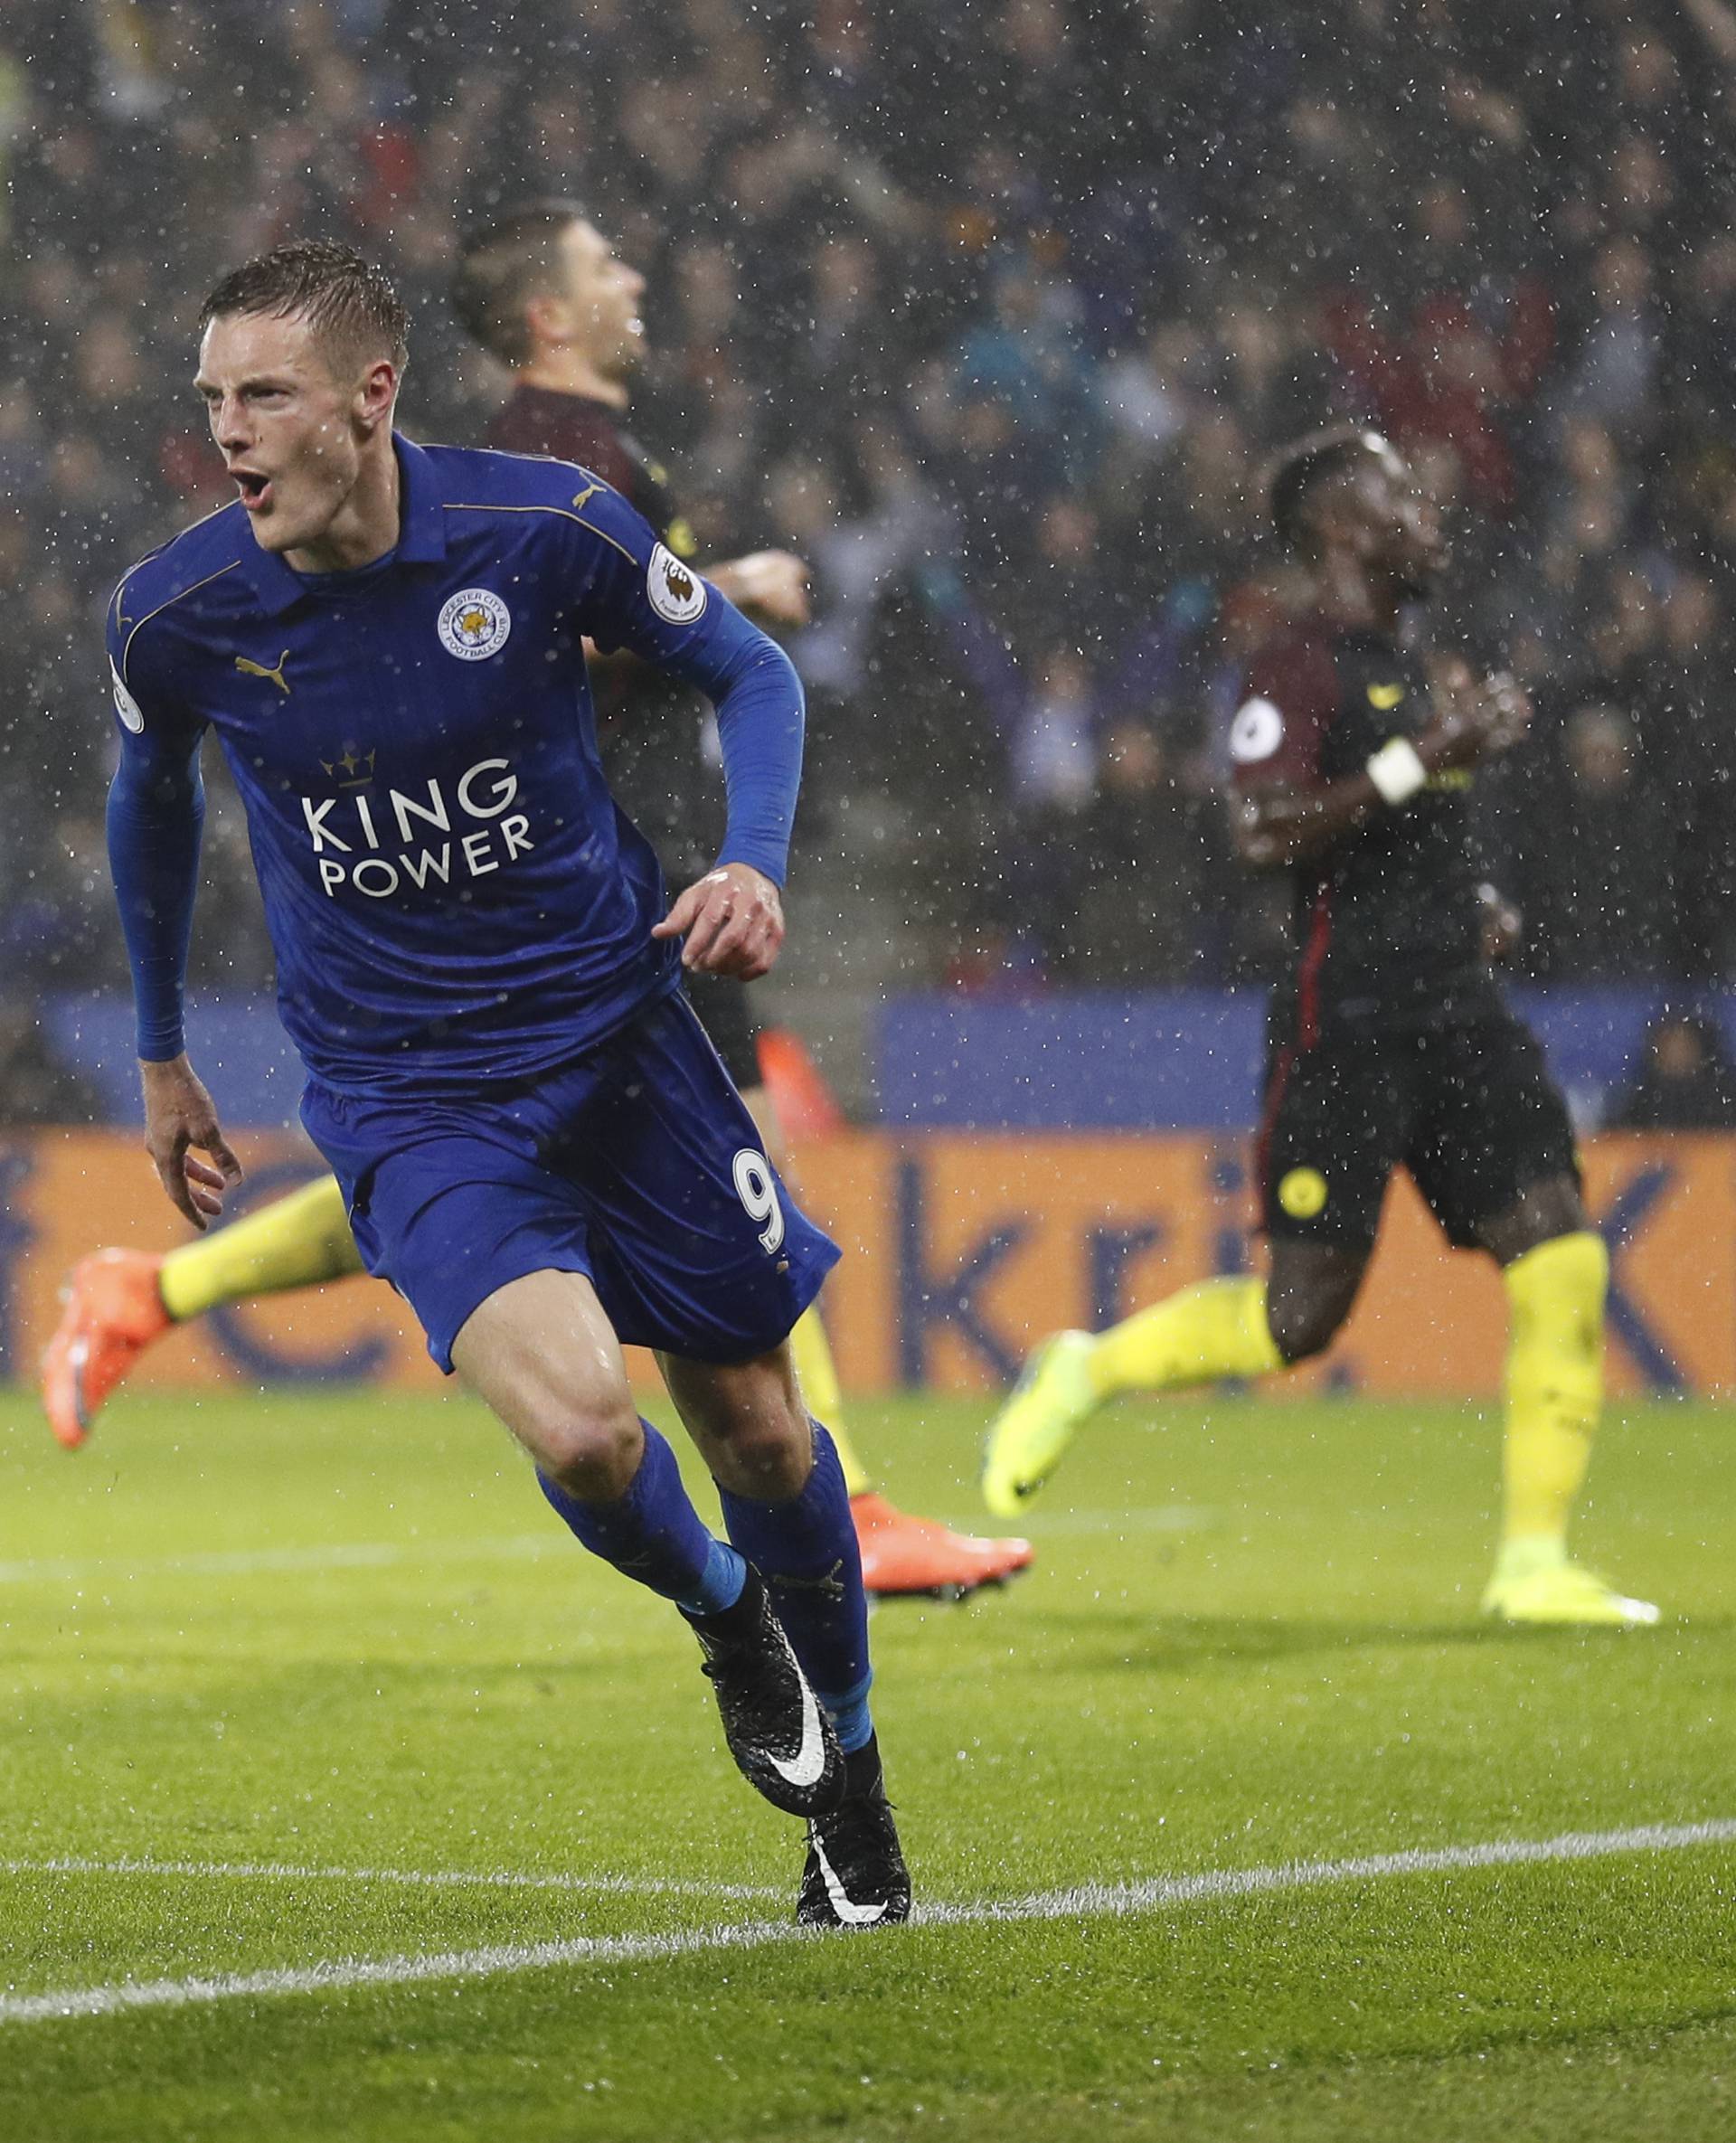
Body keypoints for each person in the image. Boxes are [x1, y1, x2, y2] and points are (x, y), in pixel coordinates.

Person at [44, 201, 1031, 1604]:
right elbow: (512, 639)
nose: (635, 274)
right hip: (588, 906)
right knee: (624, 1230)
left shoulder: (585, 463)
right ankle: (833, 1506)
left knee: (592, 1217)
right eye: (603, 264)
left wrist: (716, 662)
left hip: (644, 901)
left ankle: (154, 1291)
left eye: (259, 394)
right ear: (549, 316)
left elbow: (680, 645)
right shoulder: (549, 468)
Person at [99, 239, 910, 1925]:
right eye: (211, 401)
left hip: (622, 1045)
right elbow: (151, 801)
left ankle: (853, 1784)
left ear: (371, 396)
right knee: (590, 1429)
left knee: (758, 1420)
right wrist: (165, 1051)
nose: (228, 433)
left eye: (264, 396)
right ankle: (723, 1622)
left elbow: (745, 673)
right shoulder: (181, 615)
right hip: (412, 1097)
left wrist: (755, 862)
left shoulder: (540, 529)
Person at [983, 426, 1656, 1628]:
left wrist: (1469, 897)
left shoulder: (1408, 661)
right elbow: (1259, 830)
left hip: (1455, 1007)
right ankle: (1084, 1367)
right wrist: (1422, 761)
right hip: (1340, 1022)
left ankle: (1533, 1563)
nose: (1432, 513)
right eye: (1406, 494)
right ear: (1343, 526)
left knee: (1560, 1250)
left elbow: (1399, 837)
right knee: (1298, 1319)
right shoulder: (1295, 665)